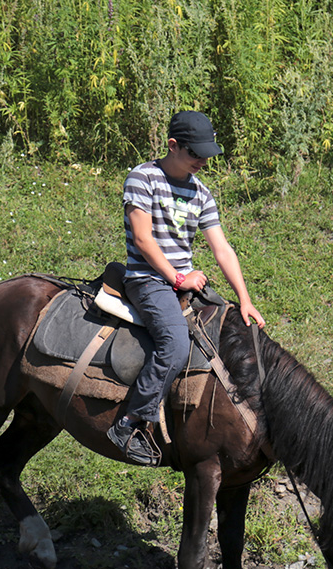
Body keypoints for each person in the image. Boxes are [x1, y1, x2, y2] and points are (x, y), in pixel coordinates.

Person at [107, 110, 266, 466]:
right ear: (173, 146)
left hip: (187, 282)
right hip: (148, 280)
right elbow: (143, 240)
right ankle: (130, 423)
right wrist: (178, 278)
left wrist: (245, 299)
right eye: (195, 154)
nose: (202, 162)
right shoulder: (142, 178)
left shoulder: (201, 193)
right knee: (175, 344)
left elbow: (221, 248)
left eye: (207, 155)